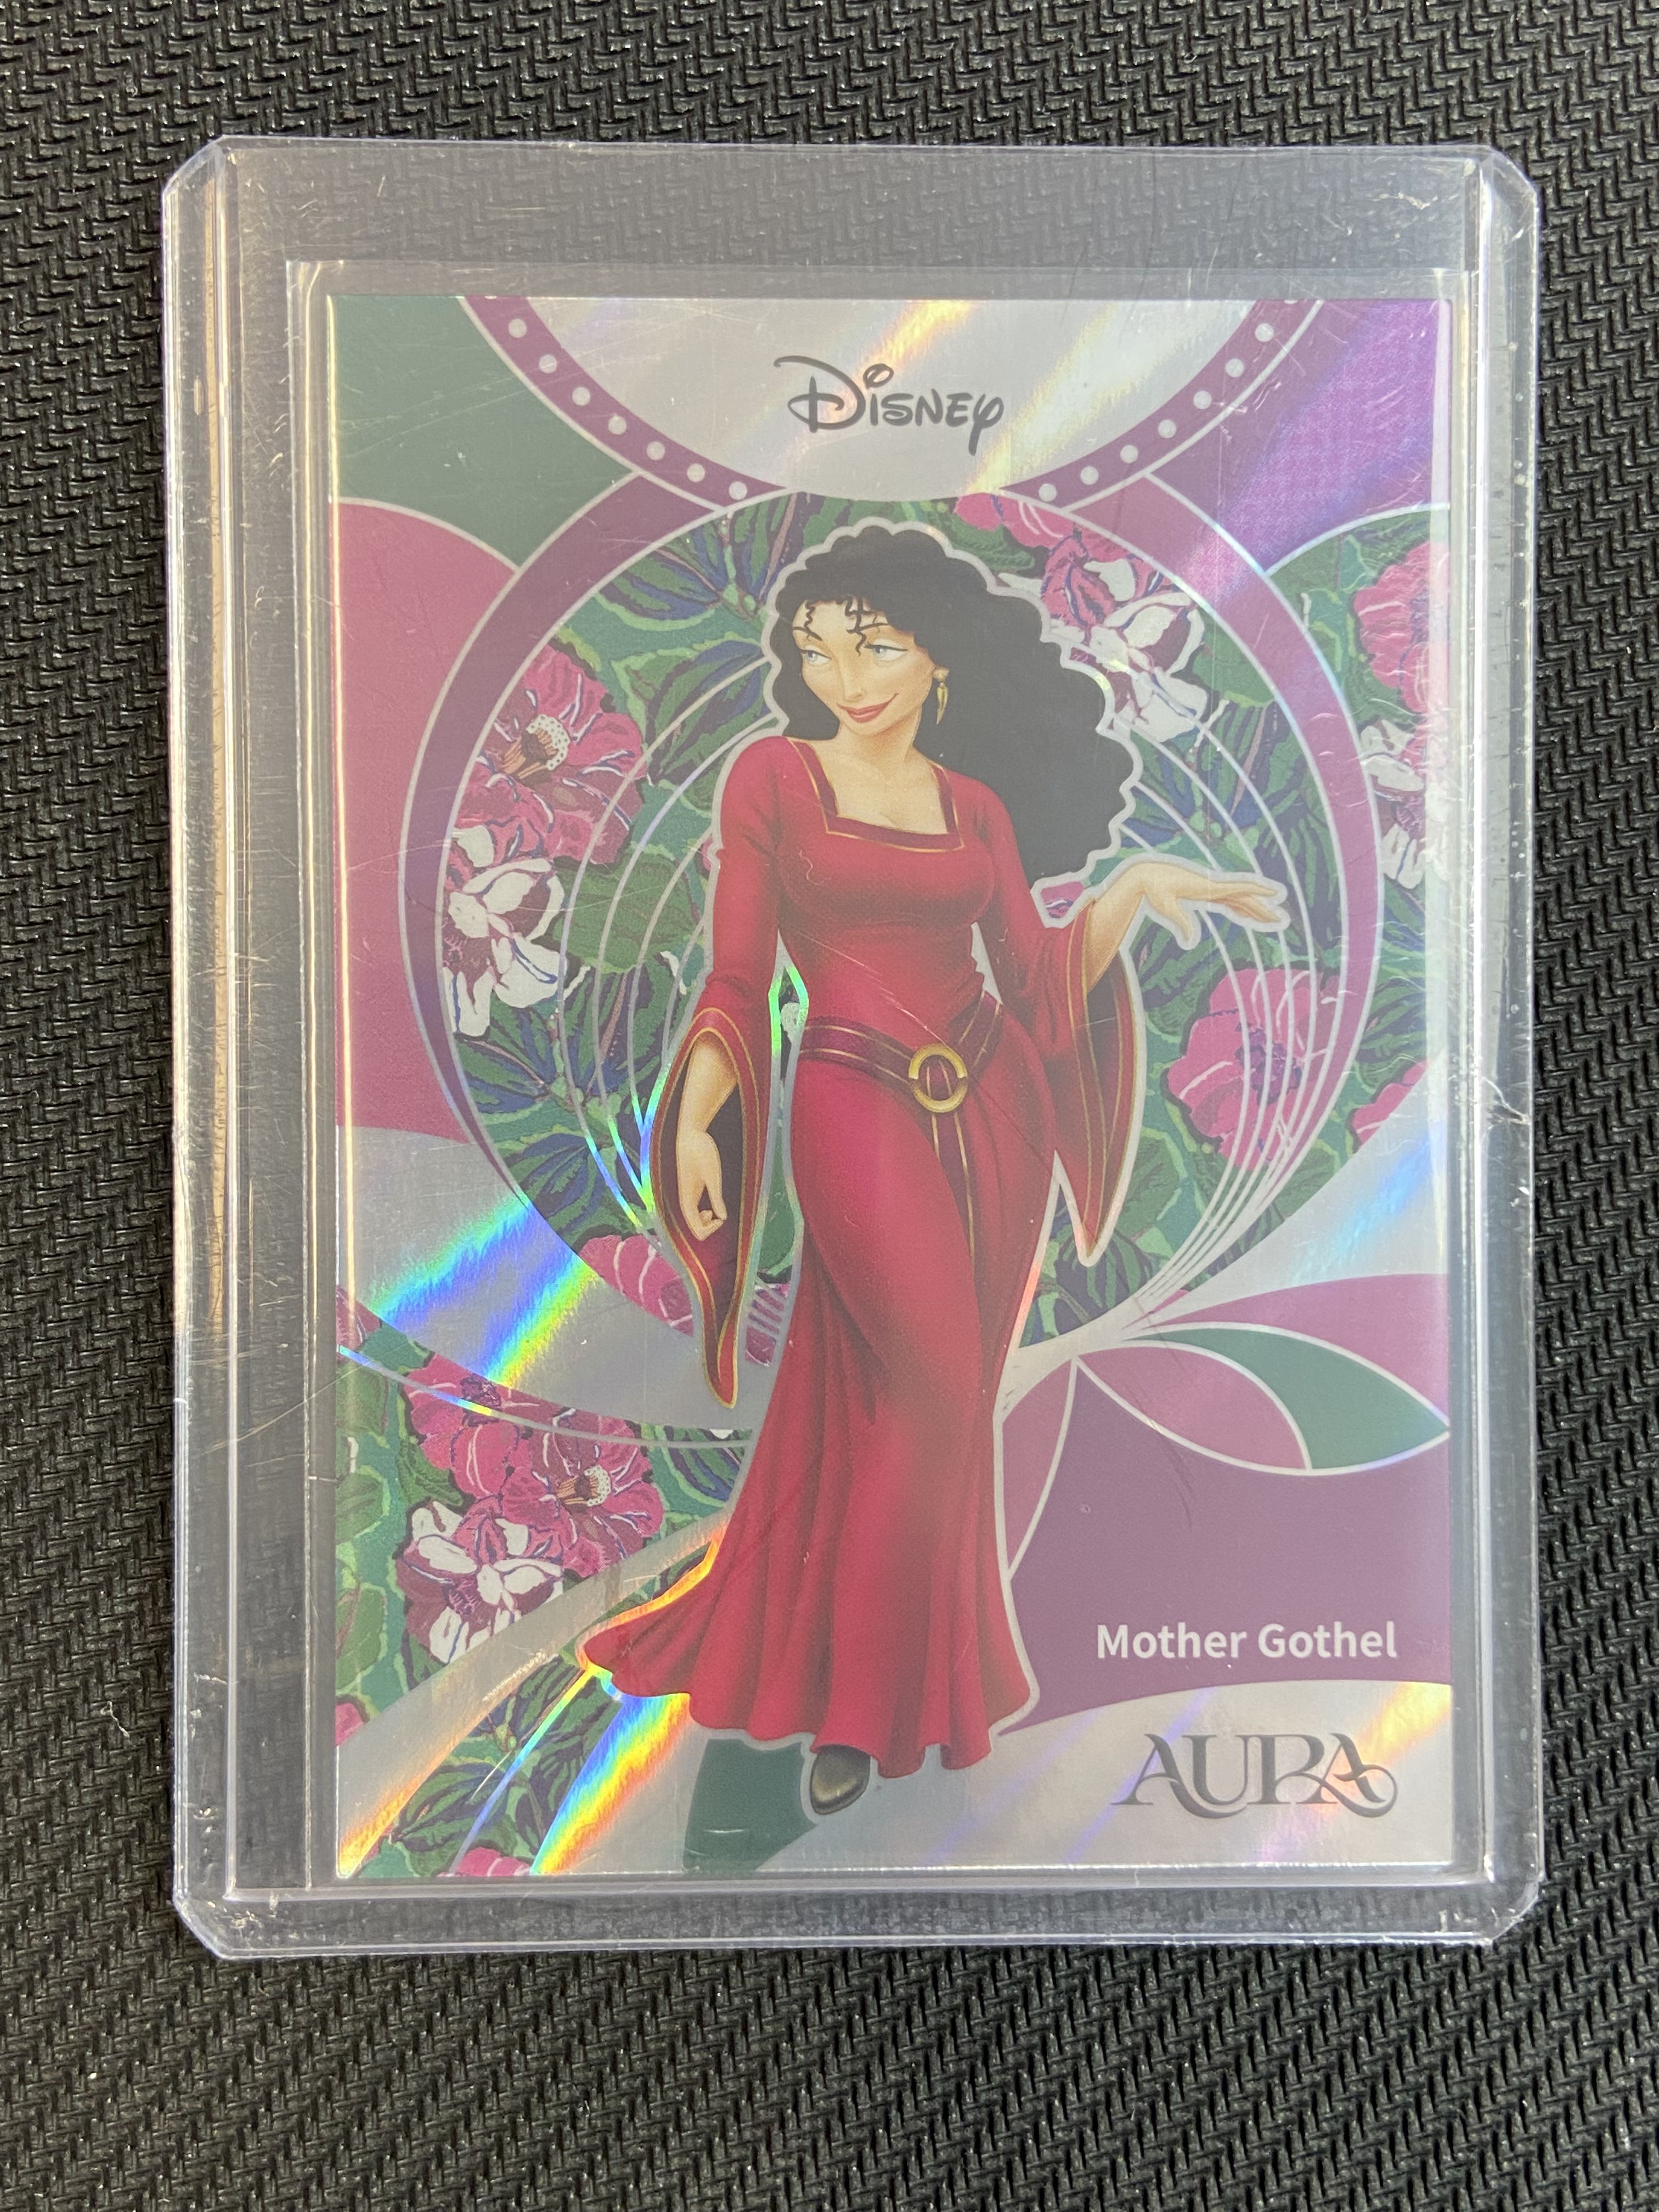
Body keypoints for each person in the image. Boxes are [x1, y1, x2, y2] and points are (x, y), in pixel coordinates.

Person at [582, 523, 1283, 1815]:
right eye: (820, 649)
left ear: (938, 657)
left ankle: (896, 1680)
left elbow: (1032, 977)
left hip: (996, 1109)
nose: (845, 676)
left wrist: (1128, 891)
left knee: (927, 1406)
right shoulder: (774, 779)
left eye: (876, 646)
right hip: (853, 1104)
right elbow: (738, 975)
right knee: (935, 1395)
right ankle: (865, 1707)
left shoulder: (975, 808)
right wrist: (694, 1124)